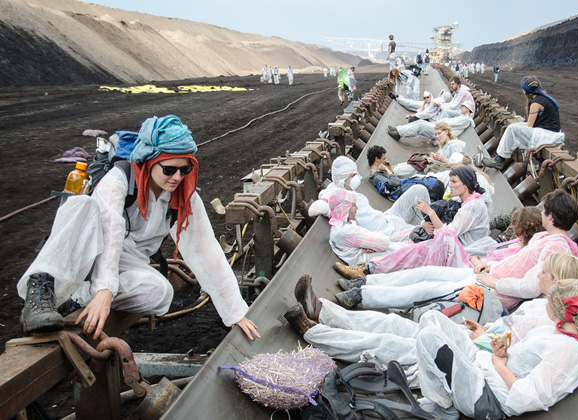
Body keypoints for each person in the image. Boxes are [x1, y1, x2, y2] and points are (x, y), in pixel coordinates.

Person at [17, 116, 260, 340]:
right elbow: (110, 235)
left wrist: (234, 312)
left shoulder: (184, 196)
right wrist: (105, 289)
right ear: (149, 162)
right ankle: (40, 293)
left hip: (128, 263)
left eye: (184, 169)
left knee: (160, 292)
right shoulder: (118, 180)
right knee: (82, 205)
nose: (177, 177)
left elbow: (205, 250)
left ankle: (78, 297)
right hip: (89, 251)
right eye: (169, 169)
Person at [283, 251, 578, 368]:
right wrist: (484, 332)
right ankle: (323, 312)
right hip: (471, 341)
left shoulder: (556, 330)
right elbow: (506, 338)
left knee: (392, 343)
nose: (538, 275)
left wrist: (484, 342)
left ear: (556, 281)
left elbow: (514, 361)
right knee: (395, 326)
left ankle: (316, 333)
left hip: (471, 358)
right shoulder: (543, 310)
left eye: (543, 272)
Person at [333, 189, 578, 310]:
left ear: (550, 216)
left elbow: (529, 286)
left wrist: (493, 280)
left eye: (545, 210)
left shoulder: (556, 247)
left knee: (427, 287)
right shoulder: (546, 237)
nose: (543, 213)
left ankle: (362, 297)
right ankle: (365, 284)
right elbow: (519, 266)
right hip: (485, 276)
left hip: (490, 291)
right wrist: (490, 266)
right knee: (426, 272)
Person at [416, 278, 578, 418]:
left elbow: (528, 397)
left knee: (429, 337)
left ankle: (445, 409)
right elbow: (523, 363)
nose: (546, 303)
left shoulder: (569, 351)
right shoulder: (554, 331)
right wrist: (501, 353)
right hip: (488, 370)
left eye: (550, 299)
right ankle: (438, 391)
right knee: (431, 318)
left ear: (559, 307)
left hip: (490, 396)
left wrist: (500, 365)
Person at [335, 166, 489, 278]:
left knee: (412, 249)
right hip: (445, 243)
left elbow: (449, 234)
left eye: (454, 182)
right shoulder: (461, 199)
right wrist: (425, 223)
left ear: (466, 184)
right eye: (450, 181)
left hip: (459, 252)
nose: (450, 185)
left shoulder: (473, 206)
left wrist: (430, 213)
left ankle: (368, 269)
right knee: (409, 240)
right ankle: (373, 255)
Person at [320, 156, 428, 239]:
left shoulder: (343, 186)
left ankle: (423, 224)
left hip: (387, 218)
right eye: (353, 175)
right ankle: (424, 232)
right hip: (385, 232)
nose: (357, 178)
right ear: (341, 178)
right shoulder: (338, 197)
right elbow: (322, 204)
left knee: (419, 189)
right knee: (429, 233)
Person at [482, 75, 565, 170]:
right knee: (514, 127)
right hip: (550, 132)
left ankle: (499, 159)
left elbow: (530, 125)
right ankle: (501, 157)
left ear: (525, 90)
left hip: (547, 135)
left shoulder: (536, 103)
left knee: (512, 129)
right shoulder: (544, 98)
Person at [308, 189, 392, 266]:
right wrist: (373, 244)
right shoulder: (345, 230)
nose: (357, 208)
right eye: (354, 205)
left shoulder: (344, 225)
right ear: (345, 208)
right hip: (376, 261)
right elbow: (385, 242)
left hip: (374, 252)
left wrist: (369, 245)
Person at [387, 101, 475, 142]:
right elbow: (449, 121)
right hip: (442, 129)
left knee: (421, 125)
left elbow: (451, 124)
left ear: (468, 109)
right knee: (420, 123)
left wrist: (439, 123)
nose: (461, 108)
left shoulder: (466, 120)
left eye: (463, 107)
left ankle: (398, 133)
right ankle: (398, 130)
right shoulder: (462, 117)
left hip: (443, 133)